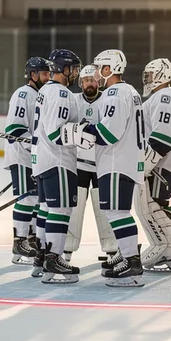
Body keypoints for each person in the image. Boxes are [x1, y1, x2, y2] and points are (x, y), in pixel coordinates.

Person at [63, 49, 146, 288]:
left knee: (116, 213)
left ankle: (132, 265)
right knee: (115, 211)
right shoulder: (128, 92)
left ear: (109, 69)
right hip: (122, 161)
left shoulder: (115, 93)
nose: (97, 73)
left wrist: (81, 132)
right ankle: (127, 258)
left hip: (116, 162)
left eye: (100, 67)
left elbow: (108, 133)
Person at [31, 48, 91, 283]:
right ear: (64, 69)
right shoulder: (63, 94)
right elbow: (58, 132)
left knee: (46, 209)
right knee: (61, 209)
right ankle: (54, 260)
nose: (75, 73)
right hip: (58, 160)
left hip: (42, 159)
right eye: (74, 69)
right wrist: (82, 132)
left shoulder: (45, 91)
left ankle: (42, 257)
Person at [64, 65, 117, 262]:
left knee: (104, 207)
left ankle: (111, 249)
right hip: (79, 164)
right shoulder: (73, 101)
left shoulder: (108, 100)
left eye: (93, 80)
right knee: (74, 207)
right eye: (86, 80)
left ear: (98, 81)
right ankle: (67, 248)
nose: (89, 83)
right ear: (81, 83)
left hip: (102, 163)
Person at [136, 58, 171, 273]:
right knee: (159, 204)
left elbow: (163, 137)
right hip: (162, 163)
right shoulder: (164, 96)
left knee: (154, 205)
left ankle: (167, 249)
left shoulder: (164, 96)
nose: (147, 79)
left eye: (151, 75)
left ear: (162, 75)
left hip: (160, 164)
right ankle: (168, 250)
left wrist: (147, 163)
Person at [3, 56, 50, 265]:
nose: (48, 77)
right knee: (28, 199)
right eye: (44, 74)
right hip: (22, 156)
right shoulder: (23, 94)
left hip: (35, 157)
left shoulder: (40, 95)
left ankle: (30, 240)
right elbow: (15, 129)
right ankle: (19, 241)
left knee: (37, 200)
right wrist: (35, 145)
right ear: (33, 75)